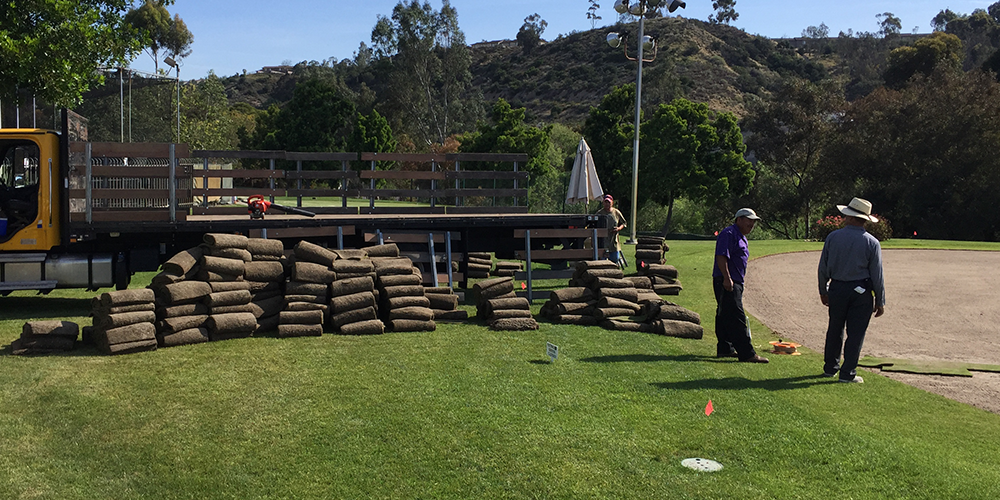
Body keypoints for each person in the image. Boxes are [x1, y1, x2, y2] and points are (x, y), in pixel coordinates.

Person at [818, 197, 885, 384]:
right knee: (856, 333)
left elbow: (823, 268)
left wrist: (823, 290)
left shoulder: (833, 237)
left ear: (850, 217)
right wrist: (880, 300)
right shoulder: (872, 242)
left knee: (835, 328)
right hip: (861, 291)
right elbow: (877, 275)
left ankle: (830, 368)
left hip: (837, 288)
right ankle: (847, 373)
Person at [713, 208, 769, 363]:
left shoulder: (741, 237)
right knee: (737, 316)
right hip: (727, 280)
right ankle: (747, 353)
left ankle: (725, 348)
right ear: (739, 219)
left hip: (735, 280)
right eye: (749, 220)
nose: (751, 224)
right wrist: (727, 278)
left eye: (753, 221)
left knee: (724, 314)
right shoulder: (729, 233)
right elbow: (721, 256)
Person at [595, 194, 627, 267]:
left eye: (608, 202)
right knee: (602, 261)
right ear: (603, 203)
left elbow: (624, 223)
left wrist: (619, 228)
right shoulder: (599, 213)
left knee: (615, 259)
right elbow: (594, 224)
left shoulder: (616, 212)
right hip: (603, 241)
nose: (607, 204)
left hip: (613, 241)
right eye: (605, 202)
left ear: (612, 203)